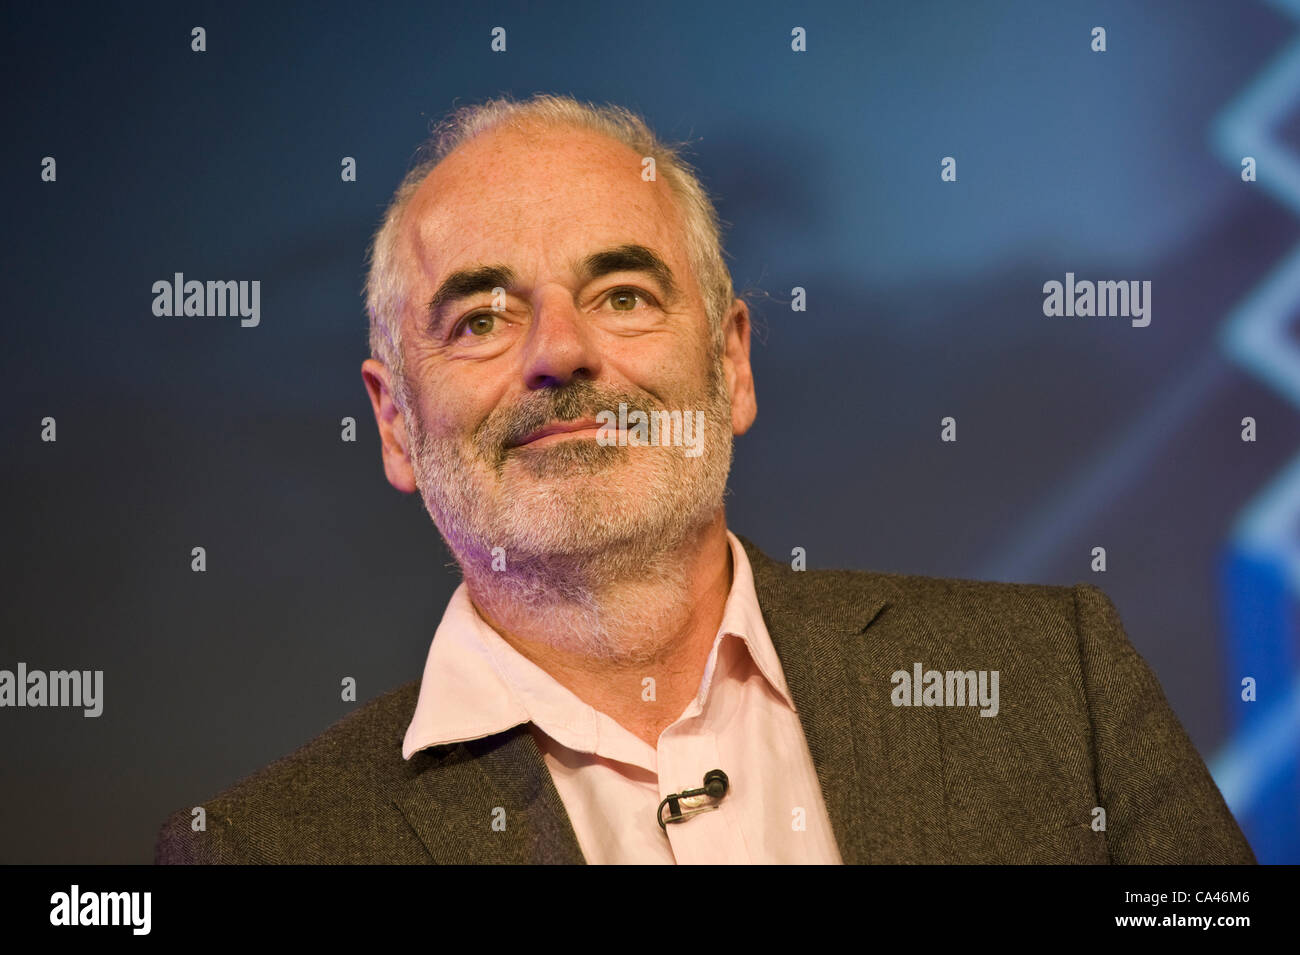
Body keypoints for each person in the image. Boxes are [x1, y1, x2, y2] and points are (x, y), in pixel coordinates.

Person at [155, 94, 1254, 864]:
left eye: (624, 293)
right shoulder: (256, 852)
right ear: (394, 423)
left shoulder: (1056, 684)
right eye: (482, 316)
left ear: (730, 363)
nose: (561, 353)